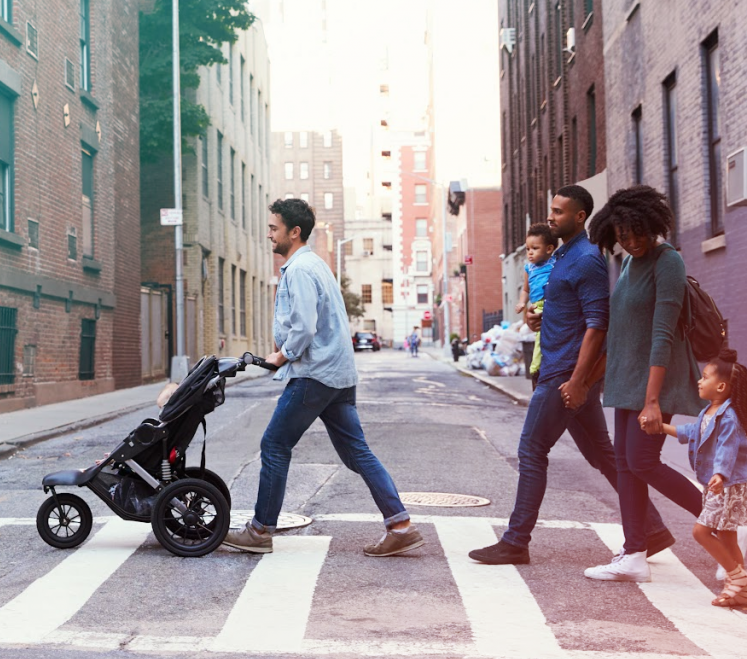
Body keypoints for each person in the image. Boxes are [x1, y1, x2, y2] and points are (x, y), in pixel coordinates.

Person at [469, 185, 672, 565]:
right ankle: (654, 530)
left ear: (580, 216)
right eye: (552, 210)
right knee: (603, 455)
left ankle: (516, 541)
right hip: (562, 369)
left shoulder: (586, 260)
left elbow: (597, 326)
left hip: (563, 375)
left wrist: (578, 382)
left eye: (559, 212)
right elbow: (569, 313)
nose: (551, 217)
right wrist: (535, 317)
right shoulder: (562, 258)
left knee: (531, 450)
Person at [223, 199, 422, 556]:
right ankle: (400, 525)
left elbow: (304, 328)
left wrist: (280, 356)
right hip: (340, 374)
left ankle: (259, 530)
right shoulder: (316, 264)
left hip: (315, 374)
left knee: (274, 445)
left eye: (274, 227)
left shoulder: (299, 270)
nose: (269, 233)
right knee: (355, 451)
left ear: (293, 232)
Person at [583, 187, 703, 582]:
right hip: (627, 381)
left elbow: (663, 334)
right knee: (625, 464)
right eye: (622, 234)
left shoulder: (667, 262)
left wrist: (653, 401)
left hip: (656, 381)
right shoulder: (631, 264)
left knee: (642, 461)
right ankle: (634, 552)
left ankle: (720, 519)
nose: (630, 241)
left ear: (652, 226)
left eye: (636, 233)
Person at [660, 350, 747, 606]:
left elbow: (727, 448)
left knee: (701, 532)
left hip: (727, 484)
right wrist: (661, 428)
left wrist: (720, 474)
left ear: (720, 386)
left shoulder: (728, 416)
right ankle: (740, 590)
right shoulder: (710, 410)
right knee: (727, 535)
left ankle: (738, 578)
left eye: (704, 377)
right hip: (718, 483)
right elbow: (692, 431)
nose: (699, 381)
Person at [515, 223, 557, 384]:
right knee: (539, 336)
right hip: (537, 305)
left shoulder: (554, 263)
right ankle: (536, 367)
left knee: (544, 338)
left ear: (548, 249)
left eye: (535, 248)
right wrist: (521, 303)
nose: (530, 252)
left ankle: (536, 367)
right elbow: (525, 290)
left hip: (551, 302)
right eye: (527, 249)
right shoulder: (529, 269)